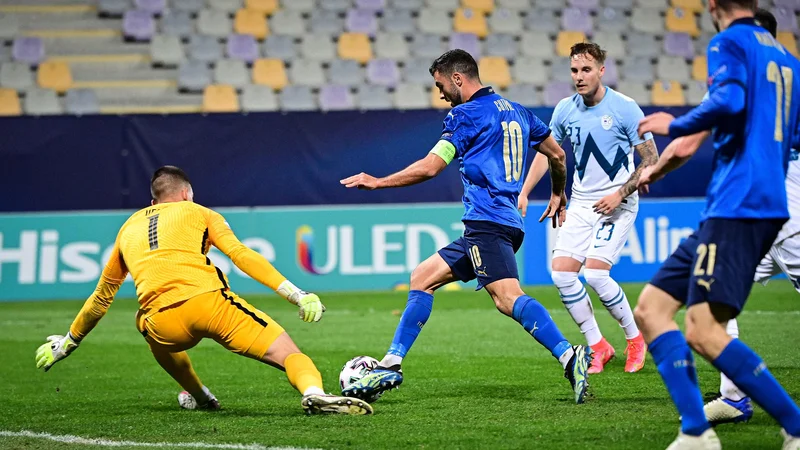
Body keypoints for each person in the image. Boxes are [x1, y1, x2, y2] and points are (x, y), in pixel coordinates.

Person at [339, 49, 593, 405]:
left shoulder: (465, 115)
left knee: (507, 299)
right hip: (500, 223)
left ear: (457, 78)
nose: (441, 93)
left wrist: (378, 182)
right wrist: (557, 192)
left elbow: (430, 167)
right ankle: (391, 363)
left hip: (488, 223)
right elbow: (559, 154)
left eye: (441, 85)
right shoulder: (519, 112)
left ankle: (569, 356)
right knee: (422, 276)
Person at [35, 166, 373, 416]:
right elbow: (241, 255)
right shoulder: (199, 212)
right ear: (185, 193)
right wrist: (296, 294)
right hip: (209, 305)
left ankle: (199, 395)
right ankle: (313, 392)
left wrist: (68, 342)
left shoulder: (128, 227)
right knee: (290, 355)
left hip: (162, 325)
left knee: (145, 324)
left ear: (153, 200)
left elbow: (101, 298)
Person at [635, 0, 800, 447]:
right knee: (651, 310)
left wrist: (677, 122)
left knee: (703, 331)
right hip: (748, 203)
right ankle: (696, 431)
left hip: (739, 203)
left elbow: (728, 99)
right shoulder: (786, 59)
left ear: (712, 5)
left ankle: (794, 426)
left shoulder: (728, 41)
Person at [520, 42, 658, 374]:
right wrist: (525, 192)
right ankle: (599, 345)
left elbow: (651, 158)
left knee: (596, 274)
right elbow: (549, 153)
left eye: (586, 70)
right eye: (574, 70)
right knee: (563, 275)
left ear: (601, 71)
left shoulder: (625, 108)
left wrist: (621, 193)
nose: (579, 77)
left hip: (618, 203)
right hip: (582, 202)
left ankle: (635, 340)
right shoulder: (566, 109)